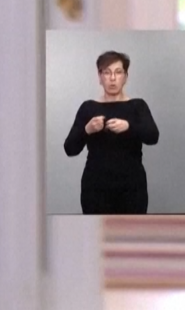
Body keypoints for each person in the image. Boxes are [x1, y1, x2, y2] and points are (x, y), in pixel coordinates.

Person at [63, 51, 159, 214]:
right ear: (100, 77)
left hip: (132, 187)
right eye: (107, 73)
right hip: (95, 188)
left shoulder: (137, 106)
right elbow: (70, 149)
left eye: (118, 72)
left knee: (132, 227)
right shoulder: (88, 107)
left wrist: (129, 126)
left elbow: (153, 136)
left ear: (126, 77)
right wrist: (87, 129)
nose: (112, 78)